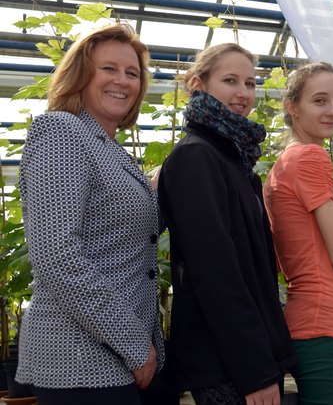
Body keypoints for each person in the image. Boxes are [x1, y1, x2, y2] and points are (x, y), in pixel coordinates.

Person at [17, 23, 164, 405]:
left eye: (132, 73)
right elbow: (57, 256)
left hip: (110, 361)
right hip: (78, 362)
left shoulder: (110, 148)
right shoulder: (62, 131)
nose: (123, 81)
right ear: (81, 74)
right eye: (109, 69)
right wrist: (134, 344)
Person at [157, 43, 297, 405]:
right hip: (229, 367)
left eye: (250, 83)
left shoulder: (233, 158)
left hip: (246, 359)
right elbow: (216, 274)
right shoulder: (196, 157)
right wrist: (256, 372)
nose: (243, 93)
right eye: (230, 80)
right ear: (198, 85)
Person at [263, 62, 333, 405]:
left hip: (302, 317)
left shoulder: (283, 164)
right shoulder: (313, 157)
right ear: (293, 107)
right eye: (320, 100)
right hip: (325, 321)